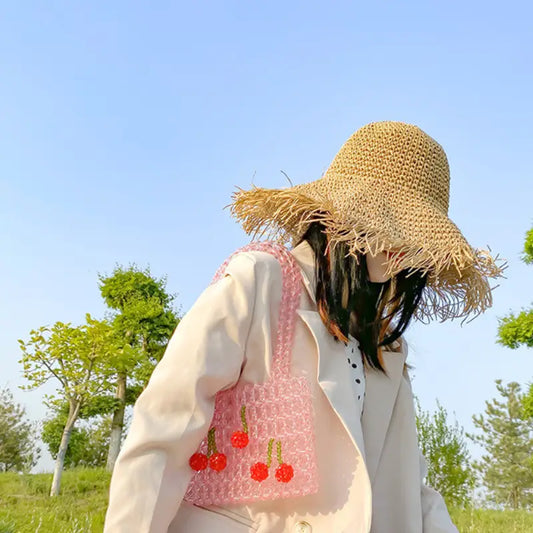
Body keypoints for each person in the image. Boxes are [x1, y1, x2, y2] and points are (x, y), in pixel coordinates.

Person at [103, 121, 505, 532]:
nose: (402, 246)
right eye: (389, 222)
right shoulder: (259, 283)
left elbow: (410, 487)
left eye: (417, 234)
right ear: (340, 212)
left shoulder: (384, 346)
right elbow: (163, 433)